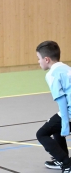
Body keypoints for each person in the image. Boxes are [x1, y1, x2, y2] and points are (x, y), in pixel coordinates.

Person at [36, 41, 71, 172]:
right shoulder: (66, 68)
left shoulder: (52, 74)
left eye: (39, 59)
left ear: (46, 59)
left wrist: (66, 123)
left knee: (42, 134)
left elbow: (62, 100)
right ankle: (62, 157)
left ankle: (67, 164)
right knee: (55, 128)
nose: (38, 62)